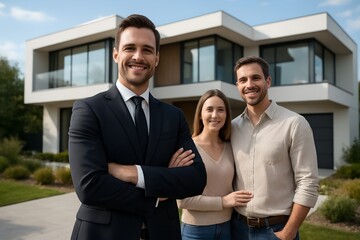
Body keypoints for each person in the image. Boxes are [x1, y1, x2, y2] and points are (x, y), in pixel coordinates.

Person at [68, 14, 207, 240]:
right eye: (130, 48)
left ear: (157, 58)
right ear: (116, 54)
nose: (138, 56)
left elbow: (196, 179)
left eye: (147, 50)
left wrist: (131, 173)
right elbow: (89, 186)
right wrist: (158, 189)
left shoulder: (174, 116)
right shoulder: (89, 110)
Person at [230, 56, 319, 240]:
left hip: (276, 230)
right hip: (236, 228)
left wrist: (289, 232)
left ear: (268, 81)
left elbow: (308, 182)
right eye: (243, 80)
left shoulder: (294, 124)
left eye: (255, 78)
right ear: (237, 85)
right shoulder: (231, 128)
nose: (249, 84)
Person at [177, 89, 253, 240]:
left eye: (220, 110)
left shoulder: (232, 147)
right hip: (195, 231)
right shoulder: (188, 148)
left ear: (226, 115)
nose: (215, 115)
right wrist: (223, 201)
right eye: (209, 109)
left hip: (227, 228)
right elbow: (182, 200)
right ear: (200, 114)